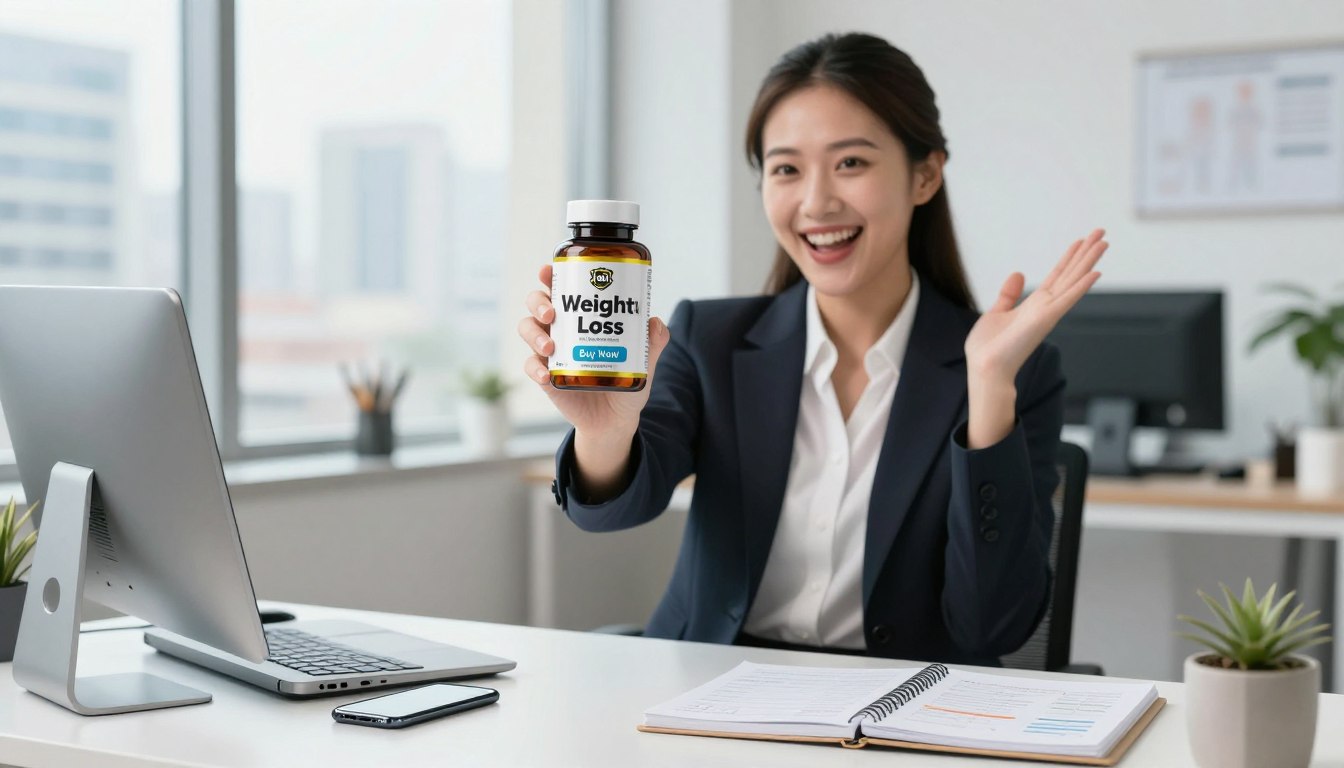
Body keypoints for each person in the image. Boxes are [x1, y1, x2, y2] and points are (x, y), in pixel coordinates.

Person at [518, 32, 1106, 666]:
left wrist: (988, 387)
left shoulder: (1016, 369)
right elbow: (610, 515)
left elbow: (994, 628)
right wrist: (604, 433)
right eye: (786, 169)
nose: (816, 202)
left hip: (899, 714)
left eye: (851, 162)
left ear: (925, 175)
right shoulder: (710, 340)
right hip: (708, 694)